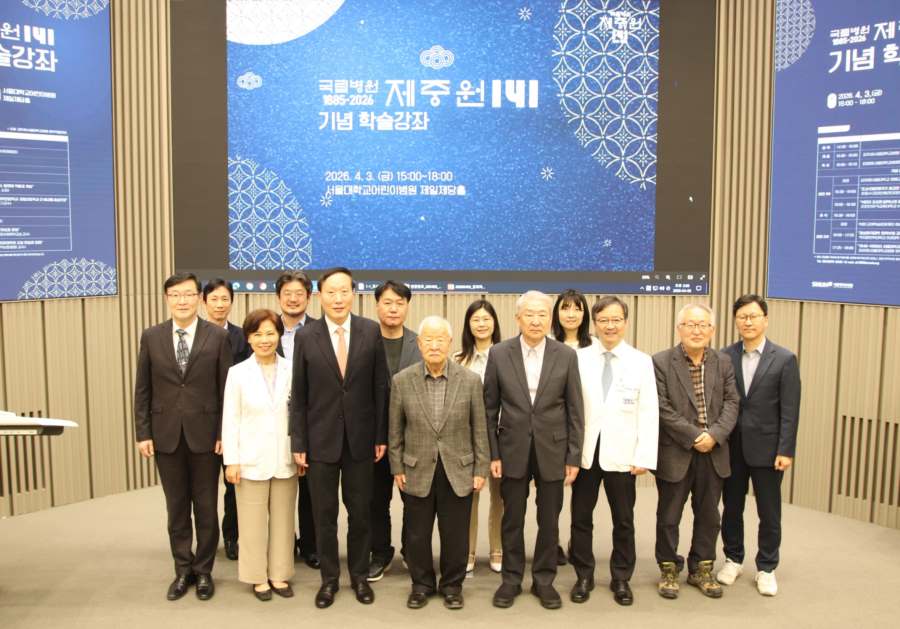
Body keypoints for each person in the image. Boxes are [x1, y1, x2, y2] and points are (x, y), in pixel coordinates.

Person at [289, 267, 389, 608]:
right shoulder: (307, 336)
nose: (338, 298)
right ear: (320, 296)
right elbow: (299, 394)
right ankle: (329, 580)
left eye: (344, 291)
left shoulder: (370, 331)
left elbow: (380, 387)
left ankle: (359, 576)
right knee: (324, 515)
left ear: (353, 294)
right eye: (331, 292)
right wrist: (299, 442)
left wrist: (380, 435)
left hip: (361, 439)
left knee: (360, 512)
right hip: (320, 440)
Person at [134, 272, 232, 601]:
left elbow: (226, 391)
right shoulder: (151, 337)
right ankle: (182, 569)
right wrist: (143, 432)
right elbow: (143, 389)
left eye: (189, 294)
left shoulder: (217, 337)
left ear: (199, 298)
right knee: (176, 507)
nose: (182, 300)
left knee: (206, 507)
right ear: (167, 299)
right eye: (175, 295)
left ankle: (203, 571)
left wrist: (224, 433)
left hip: (206, 436)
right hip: (166, 435)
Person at [484, 290, 584, 610]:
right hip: (511, 449)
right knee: (512, 519)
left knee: (549, 520)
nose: (536, 320)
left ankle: (544, 580)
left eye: (542, 314)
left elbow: (575, 410)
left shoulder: (565, 356)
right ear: (518, 318)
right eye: (530, 314)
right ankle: (511, 579)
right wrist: (493, 453)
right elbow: (489, 409)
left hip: (553, 450)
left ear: (550, 319)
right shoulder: (500, 353)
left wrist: (573, 456)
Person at [389, 316, 490, 610]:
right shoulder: (402, 380)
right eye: (428, 340)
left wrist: (480, 469)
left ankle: (452, 586)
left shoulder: (470, 381)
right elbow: (395, 430)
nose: (434, 345)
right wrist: (397, 467)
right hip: (416, 468)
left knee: (455, 533)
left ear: (450, 343)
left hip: (458, 469)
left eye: (440, 340)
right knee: (416, 533)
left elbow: (479, 428)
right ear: (419, 344)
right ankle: (421, 584)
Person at [569, 296, 658, 606]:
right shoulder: (578, 358)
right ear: (594, 323)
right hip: (586, 453)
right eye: (604, 320)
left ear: (625, 322)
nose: (610, 326)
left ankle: (621, 577)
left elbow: (649, 411)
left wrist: (644, 455)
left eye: (616, 319)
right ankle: (583, 575)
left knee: (623, 519)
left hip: (623, 454)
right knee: (581, 518)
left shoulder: (641, 361)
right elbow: (570, 408)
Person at [653, 303, 738, 600]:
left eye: (703, 325)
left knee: (709, 515)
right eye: (690, 324)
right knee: (669, 516)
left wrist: (714, 435)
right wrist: (694, 435)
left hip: (714, 452)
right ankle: (668, 568)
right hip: (676, 450)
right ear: (679, 328)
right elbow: (661, 407)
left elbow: (732, 403)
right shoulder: (661, 362)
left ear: (712, 330)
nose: (696, 330)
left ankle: (701, 568)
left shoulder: (723, 362)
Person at [717, 294, 801, 596]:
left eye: (753, 316)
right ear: (735, 321)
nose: (748, 321)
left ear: (765, 320)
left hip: (768, 449)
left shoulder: (784, 359)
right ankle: (733, 559)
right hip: (732, 447)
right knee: (731, 507)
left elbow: (790, 409)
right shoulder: (724, 356)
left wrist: (785, 450)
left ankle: (766, 567)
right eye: (742, 316)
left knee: (769, 510)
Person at [222, 309, 297, 601]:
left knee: (283, 521)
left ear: (279, 335)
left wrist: (300, 452)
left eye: (270, 333)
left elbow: (299, 415)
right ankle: (257, 577)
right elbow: (231, 418)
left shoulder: (292, 369)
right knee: (252, 523)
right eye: (257, 334)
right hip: (249, 460)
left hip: (285, 458)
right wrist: (231, 460)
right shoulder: (238, 373)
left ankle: (279, 573)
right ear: (248, 338)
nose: (264, 340)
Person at [368, 280, 421, 582]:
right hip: (374, 438)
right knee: (376, 501)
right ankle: (380, 552)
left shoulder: (419, 343)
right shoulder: (364, 341)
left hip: (412, 439)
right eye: (387, 302)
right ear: (377, 305)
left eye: (399, 303)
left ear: (407, 307)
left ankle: (412, 552)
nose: (393, 308)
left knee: (414, 500)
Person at [202, 278, 252, 561]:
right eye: (214, 299)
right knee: (205, 488)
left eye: (225, 299)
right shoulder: (196, 335)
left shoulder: (242, 336)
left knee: (235, 485)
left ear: (232, 302)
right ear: (204, 302)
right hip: (204, 423)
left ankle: (232, 536)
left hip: (237, 423)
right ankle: (206, 541)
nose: (220, 304)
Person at [273, 271, 318, 569]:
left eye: (299, 293)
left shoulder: (319, 330)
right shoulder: (266, 328)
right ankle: (283, 543)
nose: (293, 298)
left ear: (308, 297)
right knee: (278, 484)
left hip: (311, 419)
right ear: (278, 297)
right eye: (287, 293)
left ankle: (312, 546)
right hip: (273, 420)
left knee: (311, 488)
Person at [454, 299, 503, 573]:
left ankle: (497, 548)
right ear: (468, 325)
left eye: (486, 319)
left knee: (500, 497)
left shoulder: (508, 355)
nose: (481, 324)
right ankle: (467, 550)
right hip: (467, 439)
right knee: (468, 496)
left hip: (500, 435)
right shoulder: (458, 360)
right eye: (476, 319)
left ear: (494, 323)